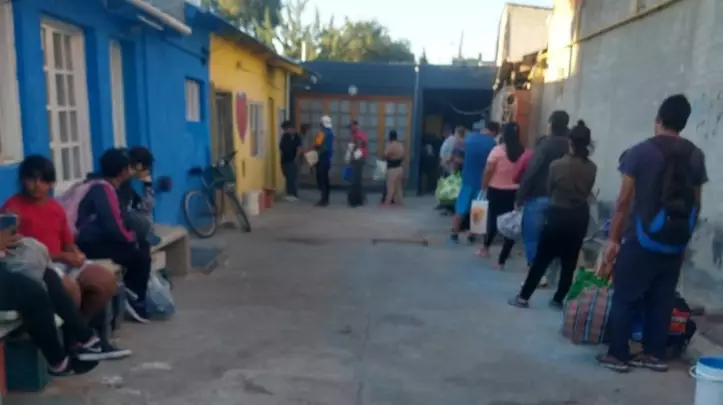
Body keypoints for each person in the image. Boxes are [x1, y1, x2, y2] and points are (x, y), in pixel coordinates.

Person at [597, 94, 706, 373]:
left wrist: (614, 239)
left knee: (626, 296)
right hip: (675, 242)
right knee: (662, 299)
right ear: (683, 123)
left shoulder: (639, 152)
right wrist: (683, 237)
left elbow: (624, 201)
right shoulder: (696, 155)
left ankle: (618, 354)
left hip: (640, 238)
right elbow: (697, 203)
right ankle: (654, 354)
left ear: (658, 119)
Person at [2, 155, 130, 358]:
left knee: (105, 281)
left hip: (63, 261)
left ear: (51, 183)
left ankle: (78, 337)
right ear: (22, 180)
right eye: (31, 179)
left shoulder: (55, 207)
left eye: (42, 180)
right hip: (38, 266)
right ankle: (75, 343)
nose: (36, 185)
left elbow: (67, 241)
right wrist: (62, 257)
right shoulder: (13, 209)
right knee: (70, 289)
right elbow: (17, 254)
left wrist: (75, 253)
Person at [510, 120, 597, 309]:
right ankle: (558, 299)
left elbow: (550, 188)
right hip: (579, 216)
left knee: (542, 257)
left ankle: (524, 297)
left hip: (558, 214)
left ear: (570, 142)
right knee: (569, 261)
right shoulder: (592, 167)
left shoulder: (557, 165)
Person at [74, 148, 153, 323]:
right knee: (139, 255)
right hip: (89, 243)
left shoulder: (105, 186)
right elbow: (114, 226)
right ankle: (136, 300)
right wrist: (131, 238)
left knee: (141, 247)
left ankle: (132, 293)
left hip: (95, 239)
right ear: (123, 171)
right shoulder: (104, 190)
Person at [516, 110, 571, 286]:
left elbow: (532, 170)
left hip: (539, 196)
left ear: (551, 124)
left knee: (532, 236)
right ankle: (554, 273)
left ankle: (537, 274)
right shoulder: (571, 145)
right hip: (564, 199)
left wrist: (521, 194)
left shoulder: (546, 145)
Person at [477, 123, 525, 268]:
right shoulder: (522, 152)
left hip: (496, 189)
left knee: (493, 219)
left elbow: (488, 170)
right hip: (514, 191)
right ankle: (502, 260)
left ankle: (485, 248)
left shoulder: (497, 151)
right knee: (511, 223)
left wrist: (484, 185)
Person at [450, 122, 499, 243]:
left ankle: (454, 233)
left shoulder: (468, 139)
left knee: (461, 208)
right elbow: (492, 165)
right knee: (478, 209)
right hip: (482, 182)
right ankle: (472, 234)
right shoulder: (493, 145)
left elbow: (457, 159)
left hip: (467, 179)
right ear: (493, 132)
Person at [313, 116, 334, 206]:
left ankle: (323, 200)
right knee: (326, 179)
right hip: (328, 158)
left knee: (321, 179)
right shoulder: (331, 133)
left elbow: (317, 144)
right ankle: (326, 199)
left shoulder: (321, 133)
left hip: (321, 157)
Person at [279, 120, 302, 201]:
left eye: (285, 129)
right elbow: (281, 147)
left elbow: (299, 148)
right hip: (284, 160)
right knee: (288, 177)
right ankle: (289, 193)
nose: (285, 131)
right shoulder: (285, 136)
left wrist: (296, 158)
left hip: (292, 160)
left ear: (290, 128)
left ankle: (293, 194)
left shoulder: (296, 136)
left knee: (292, 177)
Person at [348, 120, 368, 207]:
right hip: (360, 158)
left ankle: (355, 200)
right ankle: (360, 199)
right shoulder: (361, 134)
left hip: (358, 159)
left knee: (355, 180)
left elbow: (358, 147)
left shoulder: (357, 135)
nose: (351, 128)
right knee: (358, 179)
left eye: (352, 126)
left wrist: (353, 158)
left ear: (356, 126)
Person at [383, 130, 406, 206]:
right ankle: (400, 202)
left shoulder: (391, 145)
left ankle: (387, 203)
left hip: (392, 169)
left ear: (390, 137)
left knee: (390, 187)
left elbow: (385, 155)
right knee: (398, 188)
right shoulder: (400, 145)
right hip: (400, 168)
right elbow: (403, 156)